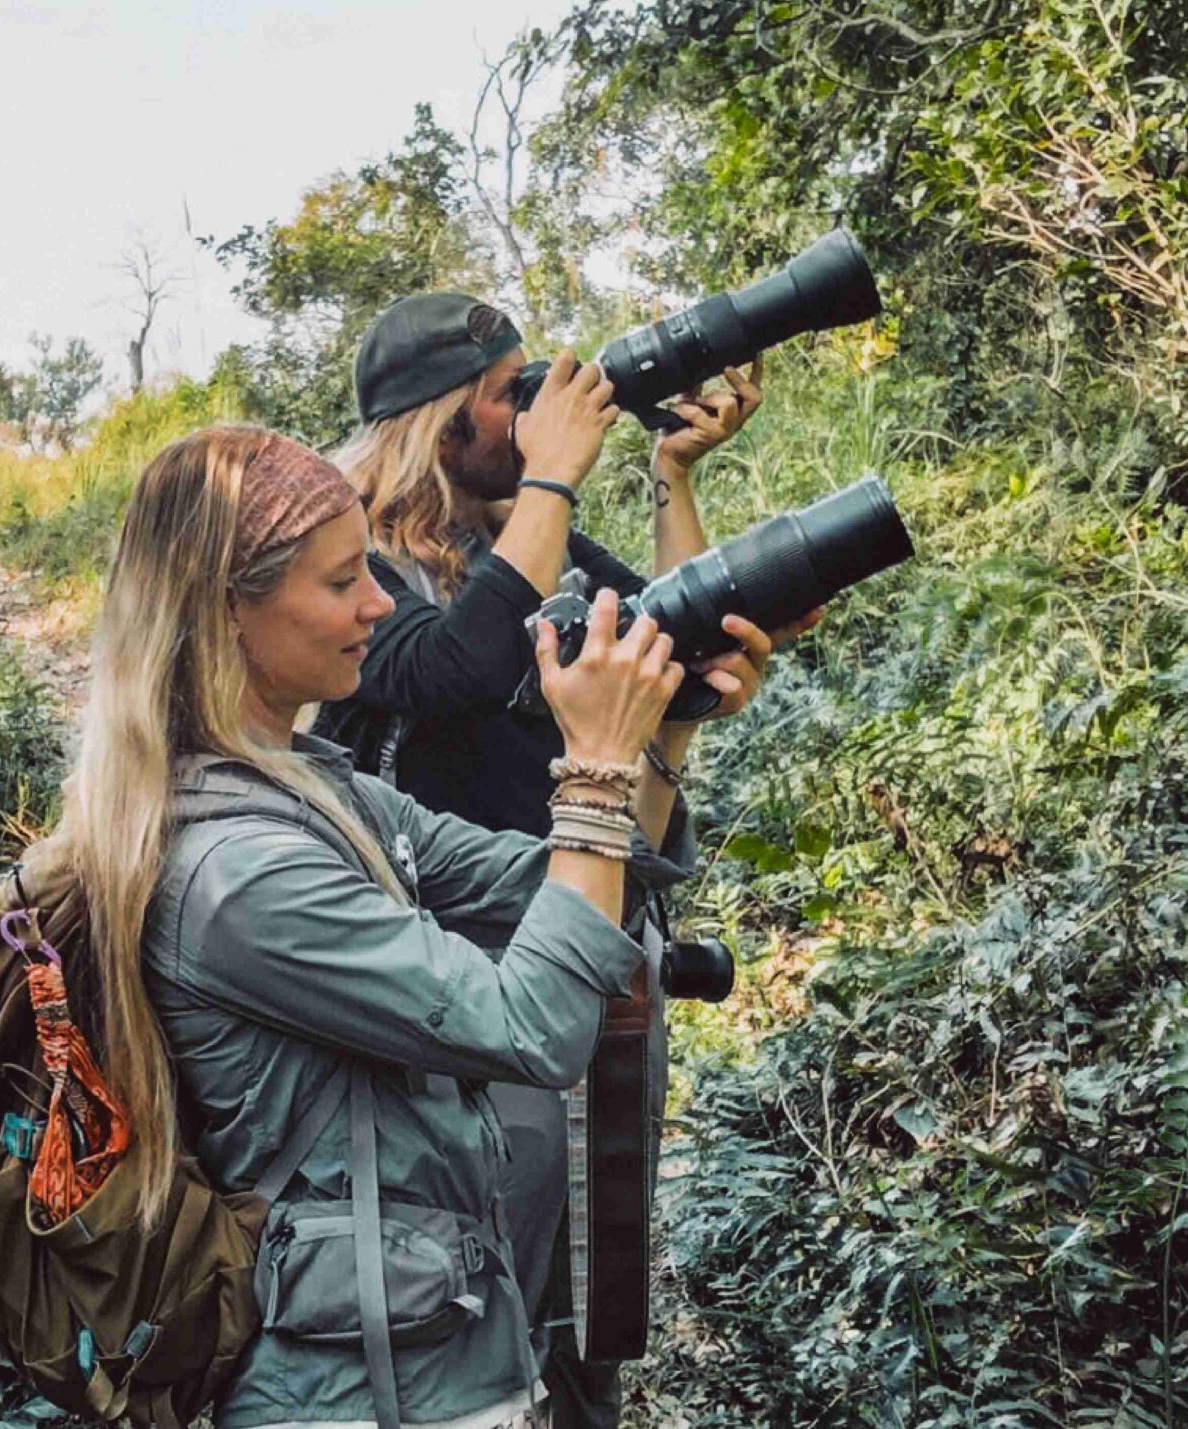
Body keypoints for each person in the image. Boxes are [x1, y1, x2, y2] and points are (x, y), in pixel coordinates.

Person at [48, 425, 780, 1428]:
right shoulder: (236, 873)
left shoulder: (313, 789)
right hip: (354, 1393)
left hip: (432, 1343)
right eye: (343, 580)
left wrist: (660, 729)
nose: (380, 604)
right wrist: (594, 767)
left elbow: (565, 884)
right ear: (229, 610)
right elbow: (532, 1024)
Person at [312, 294, 790, 1426]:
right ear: (436, 424)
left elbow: (668, 627)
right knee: (485, 1292)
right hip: (461, 988)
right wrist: (555, 476)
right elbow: (454, 667)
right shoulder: (356, 568)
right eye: (506, 396)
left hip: (592, 946)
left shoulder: (530, 537)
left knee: (596, 1289)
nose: (532, 416)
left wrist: (673, 478)